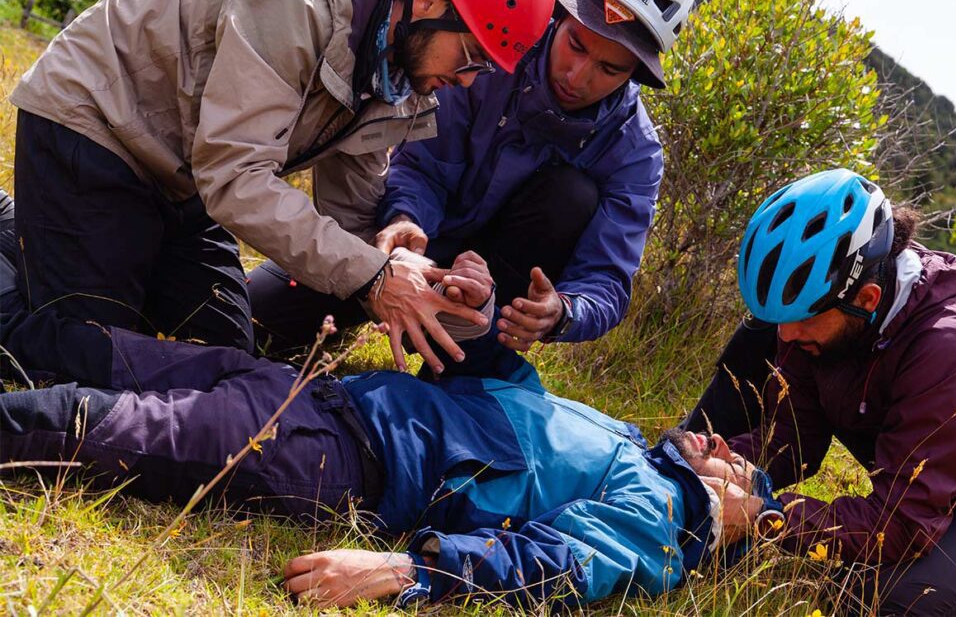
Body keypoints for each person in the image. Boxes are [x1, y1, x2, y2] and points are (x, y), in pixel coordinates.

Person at [0, 214, 784, 609]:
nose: (720, 440)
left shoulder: (662, 515)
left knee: (87, 423)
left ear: (740, 515)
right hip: (317, 390)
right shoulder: (625, 444)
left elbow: (552, 564)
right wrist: (467, 308)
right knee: (74, 343)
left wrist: (400, 571)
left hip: (338, 454)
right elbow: (505, 394)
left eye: (740, 465)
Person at [6, 0, 556, 379]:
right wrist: (373, 275)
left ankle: (35, 233)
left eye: (481, 71)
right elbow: (235, 178)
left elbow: (352, 221)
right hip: (94, 127)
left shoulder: (397, 74)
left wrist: (427, 279)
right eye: (470, 56)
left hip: (182, 179)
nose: (463, 82)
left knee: (225, 356)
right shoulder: (291, 2)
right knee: (92, 354)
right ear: (430, 0)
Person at [247, 0, 698, 355]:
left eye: (609, 69)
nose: (577, 76)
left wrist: (563, 312)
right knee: (247, 321)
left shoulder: (634, 151)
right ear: (561, 17)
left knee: (573, 195)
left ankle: (465, 372)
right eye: (576, 45)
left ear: (635, 74)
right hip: (412, 255)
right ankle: (341, 327)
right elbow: (421, 167)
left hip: (498, 298)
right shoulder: (494, 51)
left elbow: (607, 278)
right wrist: (406, 221)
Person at [685, 169, 956, 615]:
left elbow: (900, 524)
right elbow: (794, 441)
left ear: (867, 298)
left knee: (882, 599)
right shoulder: (830, 310)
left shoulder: (954, 349)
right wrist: (727, 465)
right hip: (933, 482)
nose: (785, 336)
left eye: (802, 319)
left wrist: (762, 516)